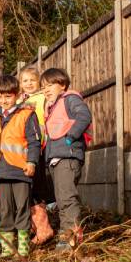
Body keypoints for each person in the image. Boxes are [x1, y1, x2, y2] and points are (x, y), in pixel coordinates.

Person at [0, 76, 42, 258]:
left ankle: (23, 247)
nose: (4, 101)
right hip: (1, 169)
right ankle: (8, 247)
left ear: (17, 95)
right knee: (5, 209)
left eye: (8, 96)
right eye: (0, 97)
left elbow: (34, 142)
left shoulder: (27, 114)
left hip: (21, 169)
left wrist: (32, 162)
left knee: (22, 206)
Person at [40, 68, 93, 251]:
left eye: (50, 85)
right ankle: (65, 236)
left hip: (67, 157)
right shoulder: (52, 107)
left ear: (62, 84)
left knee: (67, 198)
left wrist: (71, 136)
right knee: (61, 200)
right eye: (43, 87)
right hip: (56, 159)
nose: (46, 90)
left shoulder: (70, 99)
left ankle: (71, 238)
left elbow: (84, 116)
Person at [18, 66, 54, 245]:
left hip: (38, 147)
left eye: (32, 80)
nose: (29, 83)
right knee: (28, 188)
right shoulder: (21, 100)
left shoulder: (41, 99)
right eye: (25, 81)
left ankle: (43, 228)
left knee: (37, 187)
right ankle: (37, 227)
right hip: (24, 150)